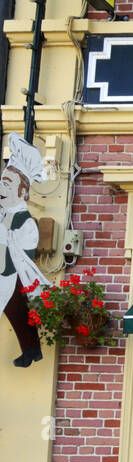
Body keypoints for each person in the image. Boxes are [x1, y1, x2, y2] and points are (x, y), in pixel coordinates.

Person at [0, 134, 49, 368]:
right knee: (14, 310)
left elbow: (24, 250)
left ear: (22, 192)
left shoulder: (24, 220)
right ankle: (30, 349)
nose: (2, 187)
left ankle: (31, 349)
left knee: (17, 308)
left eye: (7, 183)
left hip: (13, 270)